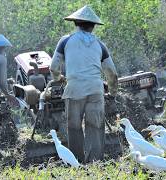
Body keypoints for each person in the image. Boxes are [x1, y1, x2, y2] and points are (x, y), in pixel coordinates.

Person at [50, 5, 118, 163]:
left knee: (74, 128)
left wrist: (59, 77)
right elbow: (112, 74)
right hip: (96, 89)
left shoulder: (65, 40)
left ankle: (77, 162)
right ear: (93, 26)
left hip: (74, 90)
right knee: (95, 127)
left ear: (76, 23)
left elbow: (54, 67)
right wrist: (113, 93)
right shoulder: (100, 45)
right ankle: (95, 162)